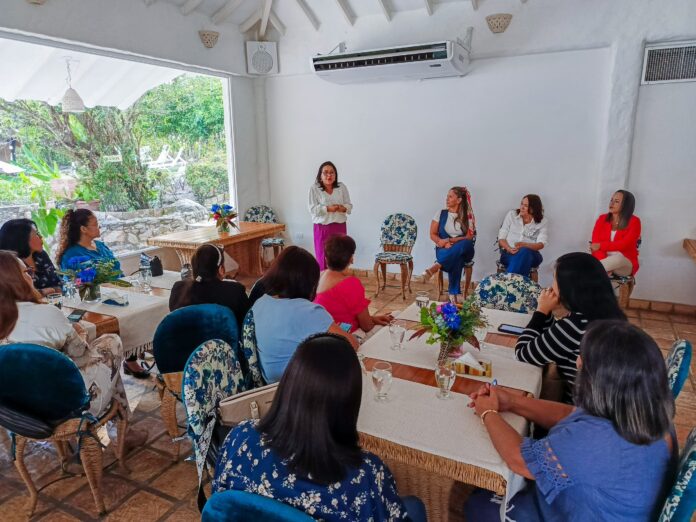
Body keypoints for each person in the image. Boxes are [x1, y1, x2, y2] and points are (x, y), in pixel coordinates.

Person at [467, 320, 676, 521]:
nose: (577, 361)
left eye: (582, 358)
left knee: (478, 503)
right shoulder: (646, 410)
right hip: (613, 509)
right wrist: (512, 401)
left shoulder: (596, 441)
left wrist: (488, 413)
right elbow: (569, 414)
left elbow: (519, 461)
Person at [213, 333, 427, 522]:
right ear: (349, 403)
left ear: (288, 385)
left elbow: (219, 504)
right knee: (415, 507)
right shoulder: (365, 475)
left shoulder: (239, 437)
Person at [0, 250, 133, 421]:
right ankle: (124, 425)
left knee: (103, 365)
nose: (32, 277)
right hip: (67, 407)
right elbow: (81, 356)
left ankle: (124, 425)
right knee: (111, 343)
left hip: (16, 409)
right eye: (27, 272)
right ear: (14, 280)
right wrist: (81, 333)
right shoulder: (45, 314)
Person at [515, 252, 626, 403]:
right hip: (606, 407)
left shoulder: (576, 325)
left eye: (555, 279)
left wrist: (540, 312)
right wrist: (547, 312)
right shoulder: (605, 315)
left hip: (581, 411)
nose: (551, 285)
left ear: (569, 287)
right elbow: (554, 338)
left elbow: (523, 354)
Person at [55, 209, 149, 377]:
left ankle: (132, 356)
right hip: (92, 302)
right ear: (83, 229)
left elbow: (117, 270)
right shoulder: (72, 255)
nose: (99, 227)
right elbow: (72, 284)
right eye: (95, 224)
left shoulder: (101, 246)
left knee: (140, 312)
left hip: (117, 294)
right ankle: (113, 366)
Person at [250, 246, 358, 383]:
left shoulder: (260, 303)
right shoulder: (308, 312)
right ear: (309, 282)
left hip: (269, 385)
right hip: (299, 387)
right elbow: (352, 344)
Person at [314, 235, 392, 335]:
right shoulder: (350, 283)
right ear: (351, 259)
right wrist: (370, 320)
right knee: (395, 320)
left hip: (321, 334)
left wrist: (373, 318)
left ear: (326, 259)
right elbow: (367, 326)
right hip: (345, 337)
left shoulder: (318, 276)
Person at [169, 244, 250, 329]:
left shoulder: (178, 289)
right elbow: (247, 325)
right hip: (225, 341)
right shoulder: (235, 291)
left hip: (185, 341)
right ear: (221, 269)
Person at [422, 186, 476, 302]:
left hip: (464, 249)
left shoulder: (468, 215)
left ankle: (437, 265)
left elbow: (469, 237)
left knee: (465, 244)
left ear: (459, 200)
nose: (447, 199)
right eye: (447, 196)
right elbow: (432, 234)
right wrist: (440, 241)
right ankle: (453, 295)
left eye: (450, 197)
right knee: (457, 257)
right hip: (444, 248)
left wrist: (450, 241)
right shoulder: (440, 213)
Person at [308, 161, 352, 270]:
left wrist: (343, 208)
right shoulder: (314, 189)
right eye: (325, 172)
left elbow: (349, 204)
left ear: (335, 175)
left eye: (332, 172)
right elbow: (312, 209)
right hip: (322, 228)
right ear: (320, 175)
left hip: (340, 227)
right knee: (323, 257)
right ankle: (324, 283)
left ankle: (338, 284)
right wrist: (328, 209)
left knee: (340, 257)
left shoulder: (341, 187)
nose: (329, 175)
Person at [0, 219, 62, 296]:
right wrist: (49, 291)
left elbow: (58, 283)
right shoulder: (9, 264)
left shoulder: (41, 255)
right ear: (22, 239)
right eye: (36, 234)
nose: (41, 237)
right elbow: (20, 296)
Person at [590, 189, 641, 277]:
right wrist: (606, 266)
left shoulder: (634, 221)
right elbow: (595, 246)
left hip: (624, 263)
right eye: (611, 200)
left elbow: (624, 244)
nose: (611, 203)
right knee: (584, 258)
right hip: (604, 262)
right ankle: (598, 270)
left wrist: (601, 245)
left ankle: (587, 272)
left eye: (616, 201)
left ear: (626, 205)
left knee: (617, 259)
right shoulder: (602, 219)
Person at [497, 195, 548, 278]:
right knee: (519, 260)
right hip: (508, 254)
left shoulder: (543, 221)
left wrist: (525, 245)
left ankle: (508, 282)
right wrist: (509, 248)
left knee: (524, 251)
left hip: (532, 255)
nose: (522, 207)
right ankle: (519, 287)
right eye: (521, 204)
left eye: (526, 205)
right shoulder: (511, 215)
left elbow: (541, 244)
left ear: (534, 208)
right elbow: (501, 238)